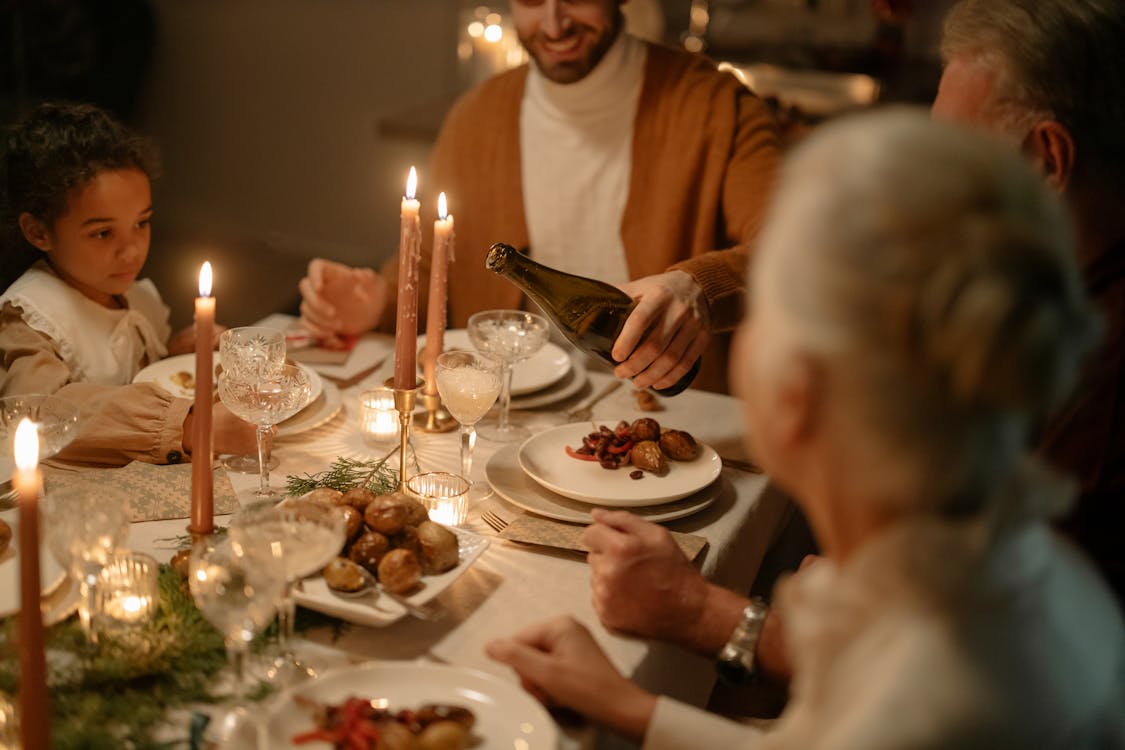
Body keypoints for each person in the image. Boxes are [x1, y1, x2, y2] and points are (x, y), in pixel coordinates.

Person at [485, 110, 1125, 747]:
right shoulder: (1010, 563)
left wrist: (626, 709)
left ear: (798, 393)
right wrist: (628, 702)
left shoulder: (930, 699)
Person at [298, 0, 780, 394]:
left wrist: (698, 287)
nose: (554, 23)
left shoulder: (717, 105)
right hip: (509, 417)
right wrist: (378, 301)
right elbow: (440, 272)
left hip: (672, 419)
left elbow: (793, 257)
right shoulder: (476, 118)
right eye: (531, 0)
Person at [930, 0, 1125, 603]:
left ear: (1048, 160)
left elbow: (1000, 632)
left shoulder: (1102, 374)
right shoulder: (1058, 284)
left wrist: (721, 620)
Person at [0, 101, 256, 465]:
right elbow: (37, 413)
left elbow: (128, 376)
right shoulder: (30, 316)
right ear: (38, 231)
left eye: (142, 223)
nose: (132, 250)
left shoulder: (132, 295)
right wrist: (188, 426)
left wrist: (176, 352)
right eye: (103, 233)